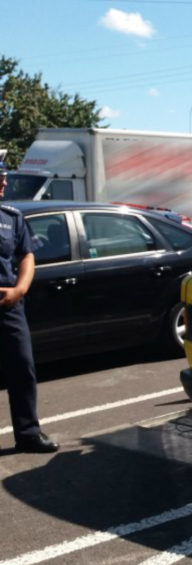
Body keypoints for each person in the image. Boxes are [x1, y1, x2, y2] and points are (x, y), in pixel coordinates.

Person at [0, 169, 60, 453]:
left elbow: (26, 256)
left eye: (3, 178)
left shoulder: (12, 218)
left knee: (22, 368)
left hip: (8, 305)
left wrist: (20, 289)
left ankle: (28, 434)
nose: (3, 183)